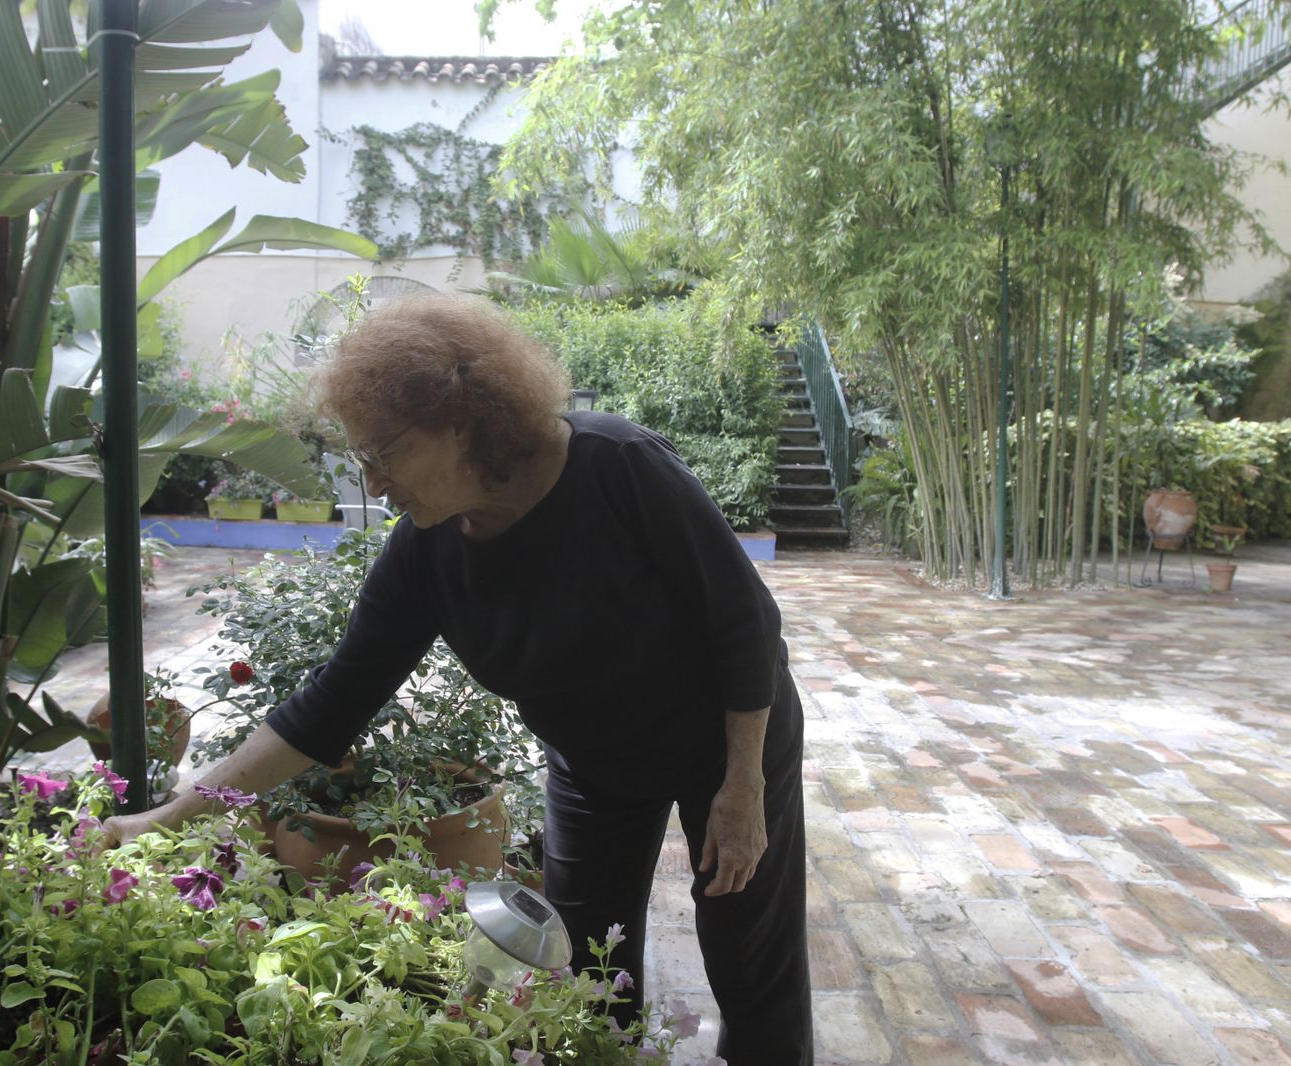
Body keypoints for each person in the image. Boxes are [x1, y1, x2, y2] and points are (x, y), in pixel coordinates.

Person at [104, 294, 811, 1065]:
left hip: (724, 744)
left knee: (747, 956)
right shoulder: (424, 555)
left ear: (462, 421)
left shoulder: (619, 468)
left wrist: (743, 786)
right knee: (577, 967)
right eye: (358, 462)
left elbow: (747, 623)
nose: (372, 485)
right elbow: (326, 708)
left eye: (383, 455)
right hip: (592, 765)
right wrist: (165, 818)